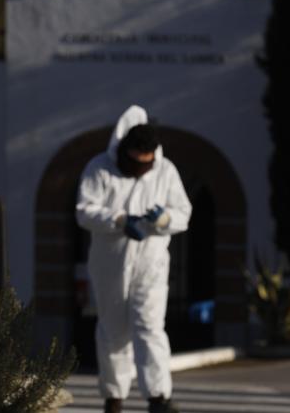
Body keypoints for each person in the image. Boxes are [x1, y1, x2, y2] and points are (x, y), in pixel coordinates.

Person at [76, 105, 192, 413]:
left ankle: (158, 397)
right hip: (110, 265)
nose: (141, 169)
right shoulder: (99, 168)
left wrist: (164, 220)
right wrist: (118, 219)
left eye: (146, 163)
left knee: (150, 326)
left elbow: (184, 213)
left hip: (150, 265)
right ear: (124, 151)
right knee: (113, 331)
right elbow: (84, 211)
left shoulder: (165, 171)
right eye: (135, 163)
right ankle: (114, 398)